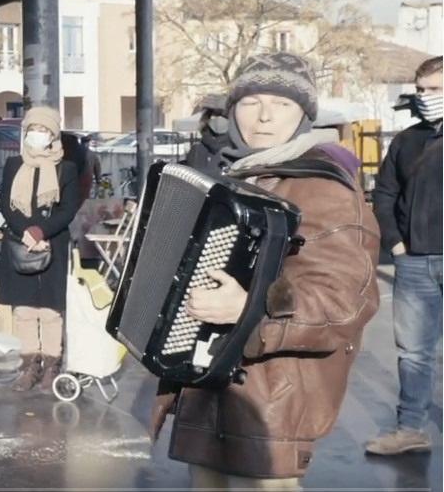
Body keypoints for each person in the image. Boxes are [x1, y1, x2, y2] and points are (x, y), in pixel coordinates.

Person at [148, 52, 380, 490]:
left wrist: (249, 307)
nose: (265, 116)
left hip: (274, 390)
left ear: (305, 116)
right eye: (251, 102)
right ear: (231, 110)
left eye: (283, 104)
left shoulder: (320, 183)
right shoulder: (231, 173)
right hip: (206, 380)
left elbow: (344, 302)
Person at [367, 56, 443, 456]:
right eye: (421, 90)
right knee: (414, 352)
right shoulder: (406, 140)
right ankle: (411, 427)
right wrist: (397, 244)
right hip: (415, 262)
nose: (426, 97)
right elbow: (384, 194)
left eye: (435, 90)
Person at [0, 106, 80, 393]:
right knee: (25, 310)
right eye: (32, 130)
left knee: (51, 311)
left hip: (52, 241)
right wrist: (27, 232)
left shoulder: (66, 168)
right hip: (20, 243)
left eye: (43, 130)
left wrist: (42, 231)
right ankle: (29, 365)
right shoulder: (13, 165)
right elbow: (6, 205)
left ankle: (52, 364)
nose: (36, 135)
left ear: (54, 135)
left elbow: (68, 209)